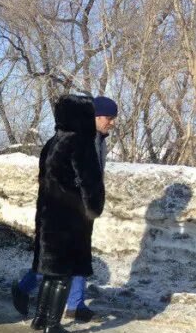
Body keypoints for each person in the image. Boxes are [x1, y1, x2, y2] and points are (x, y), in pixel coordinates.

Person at [11, 95, 117, 321]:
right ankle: (25, 289)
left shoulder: (98, 140)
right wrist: (85, 201)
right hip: (68, 210)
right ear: (95, 116)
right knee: (56, 260)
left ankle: (74, 305)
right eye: (109, 117)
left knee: (76, 257)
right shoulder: (77, 140)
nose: (112, 122)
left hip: (79, 210)